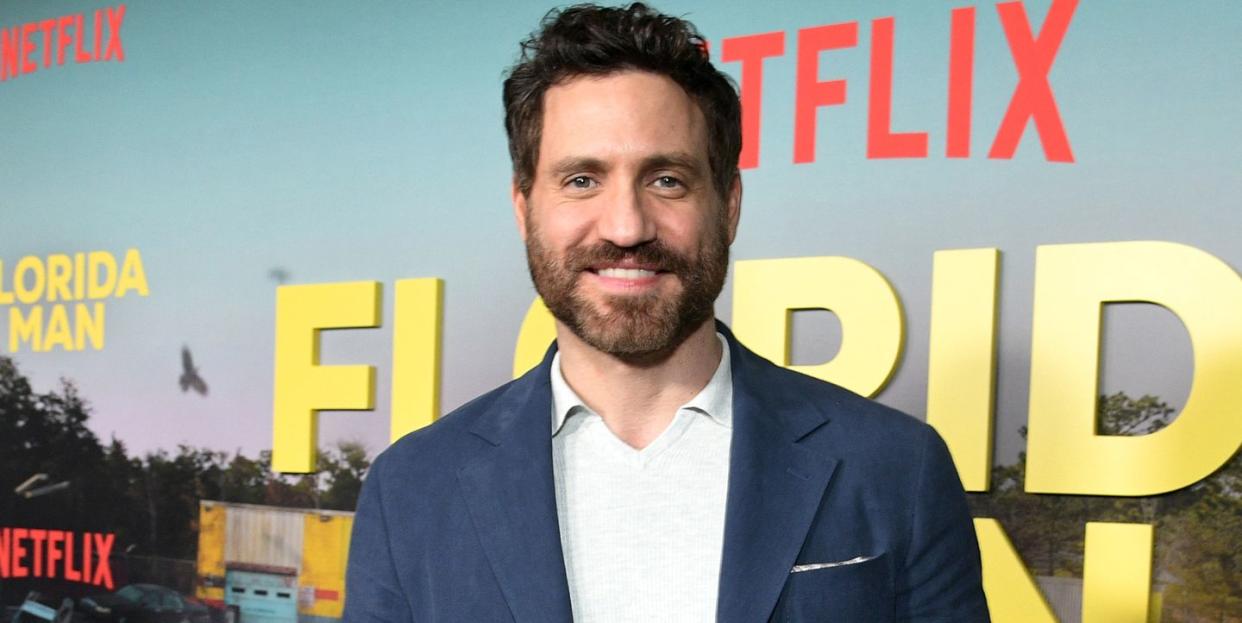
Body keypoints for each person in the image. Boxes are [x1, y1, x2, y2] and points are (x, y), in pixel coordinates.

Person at [344, 3, 988, 622]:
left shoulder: (895, 467)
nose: (626, 226)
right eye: (581, 180)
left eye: (667, 180)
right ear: (523, 207)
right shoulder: (412, 489)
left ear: (728, 205)